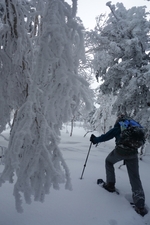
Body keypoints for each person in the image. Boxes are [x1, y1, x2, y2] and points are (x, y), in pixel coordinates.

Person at [90, 114, 148, 216]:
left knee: (108, 162)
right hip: (133, 154)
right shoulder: (135, 127)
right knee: (135, 177)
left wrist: (95, 140)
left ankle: (110, 185)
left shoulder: (120, 126)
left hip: (120, 152)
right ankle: (140, 204)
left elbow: (106, 136)